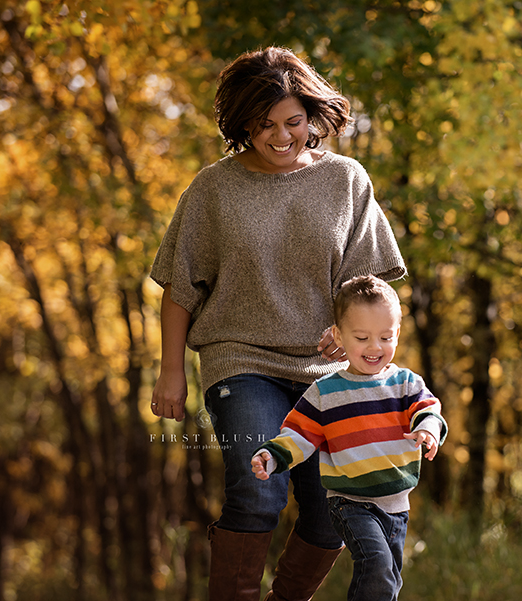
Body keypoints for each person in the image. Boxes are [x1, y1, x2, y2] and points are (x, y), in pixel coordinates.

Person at [149, 47, 407, 601]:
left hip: (328, 373)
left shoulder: (346, 180)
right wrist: (172, 370)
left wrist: (356, 339)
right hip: (241, 360)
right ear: (243, 123)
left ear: (313, 118)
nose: (282, 135)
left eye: (294, 121)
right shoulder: (213, 189)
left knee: (331, 510)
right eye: (265, 125)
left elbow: (369, 286)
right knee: (259, 488)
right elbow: (179, 285)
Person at [251, 275, 446, 601]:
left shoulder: (404, 383)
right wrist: (272, 456)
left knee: (388, 586)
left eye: (385, 337)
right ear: (339, 336)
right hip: (351, 503)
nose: (375, 347)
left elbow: (429, 409)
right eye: (362, 337)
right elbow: (298, 434)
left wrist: (427, 429)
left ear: (397, 333)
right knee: (377, 566)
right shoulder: (325, 393)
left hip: (397, 508)